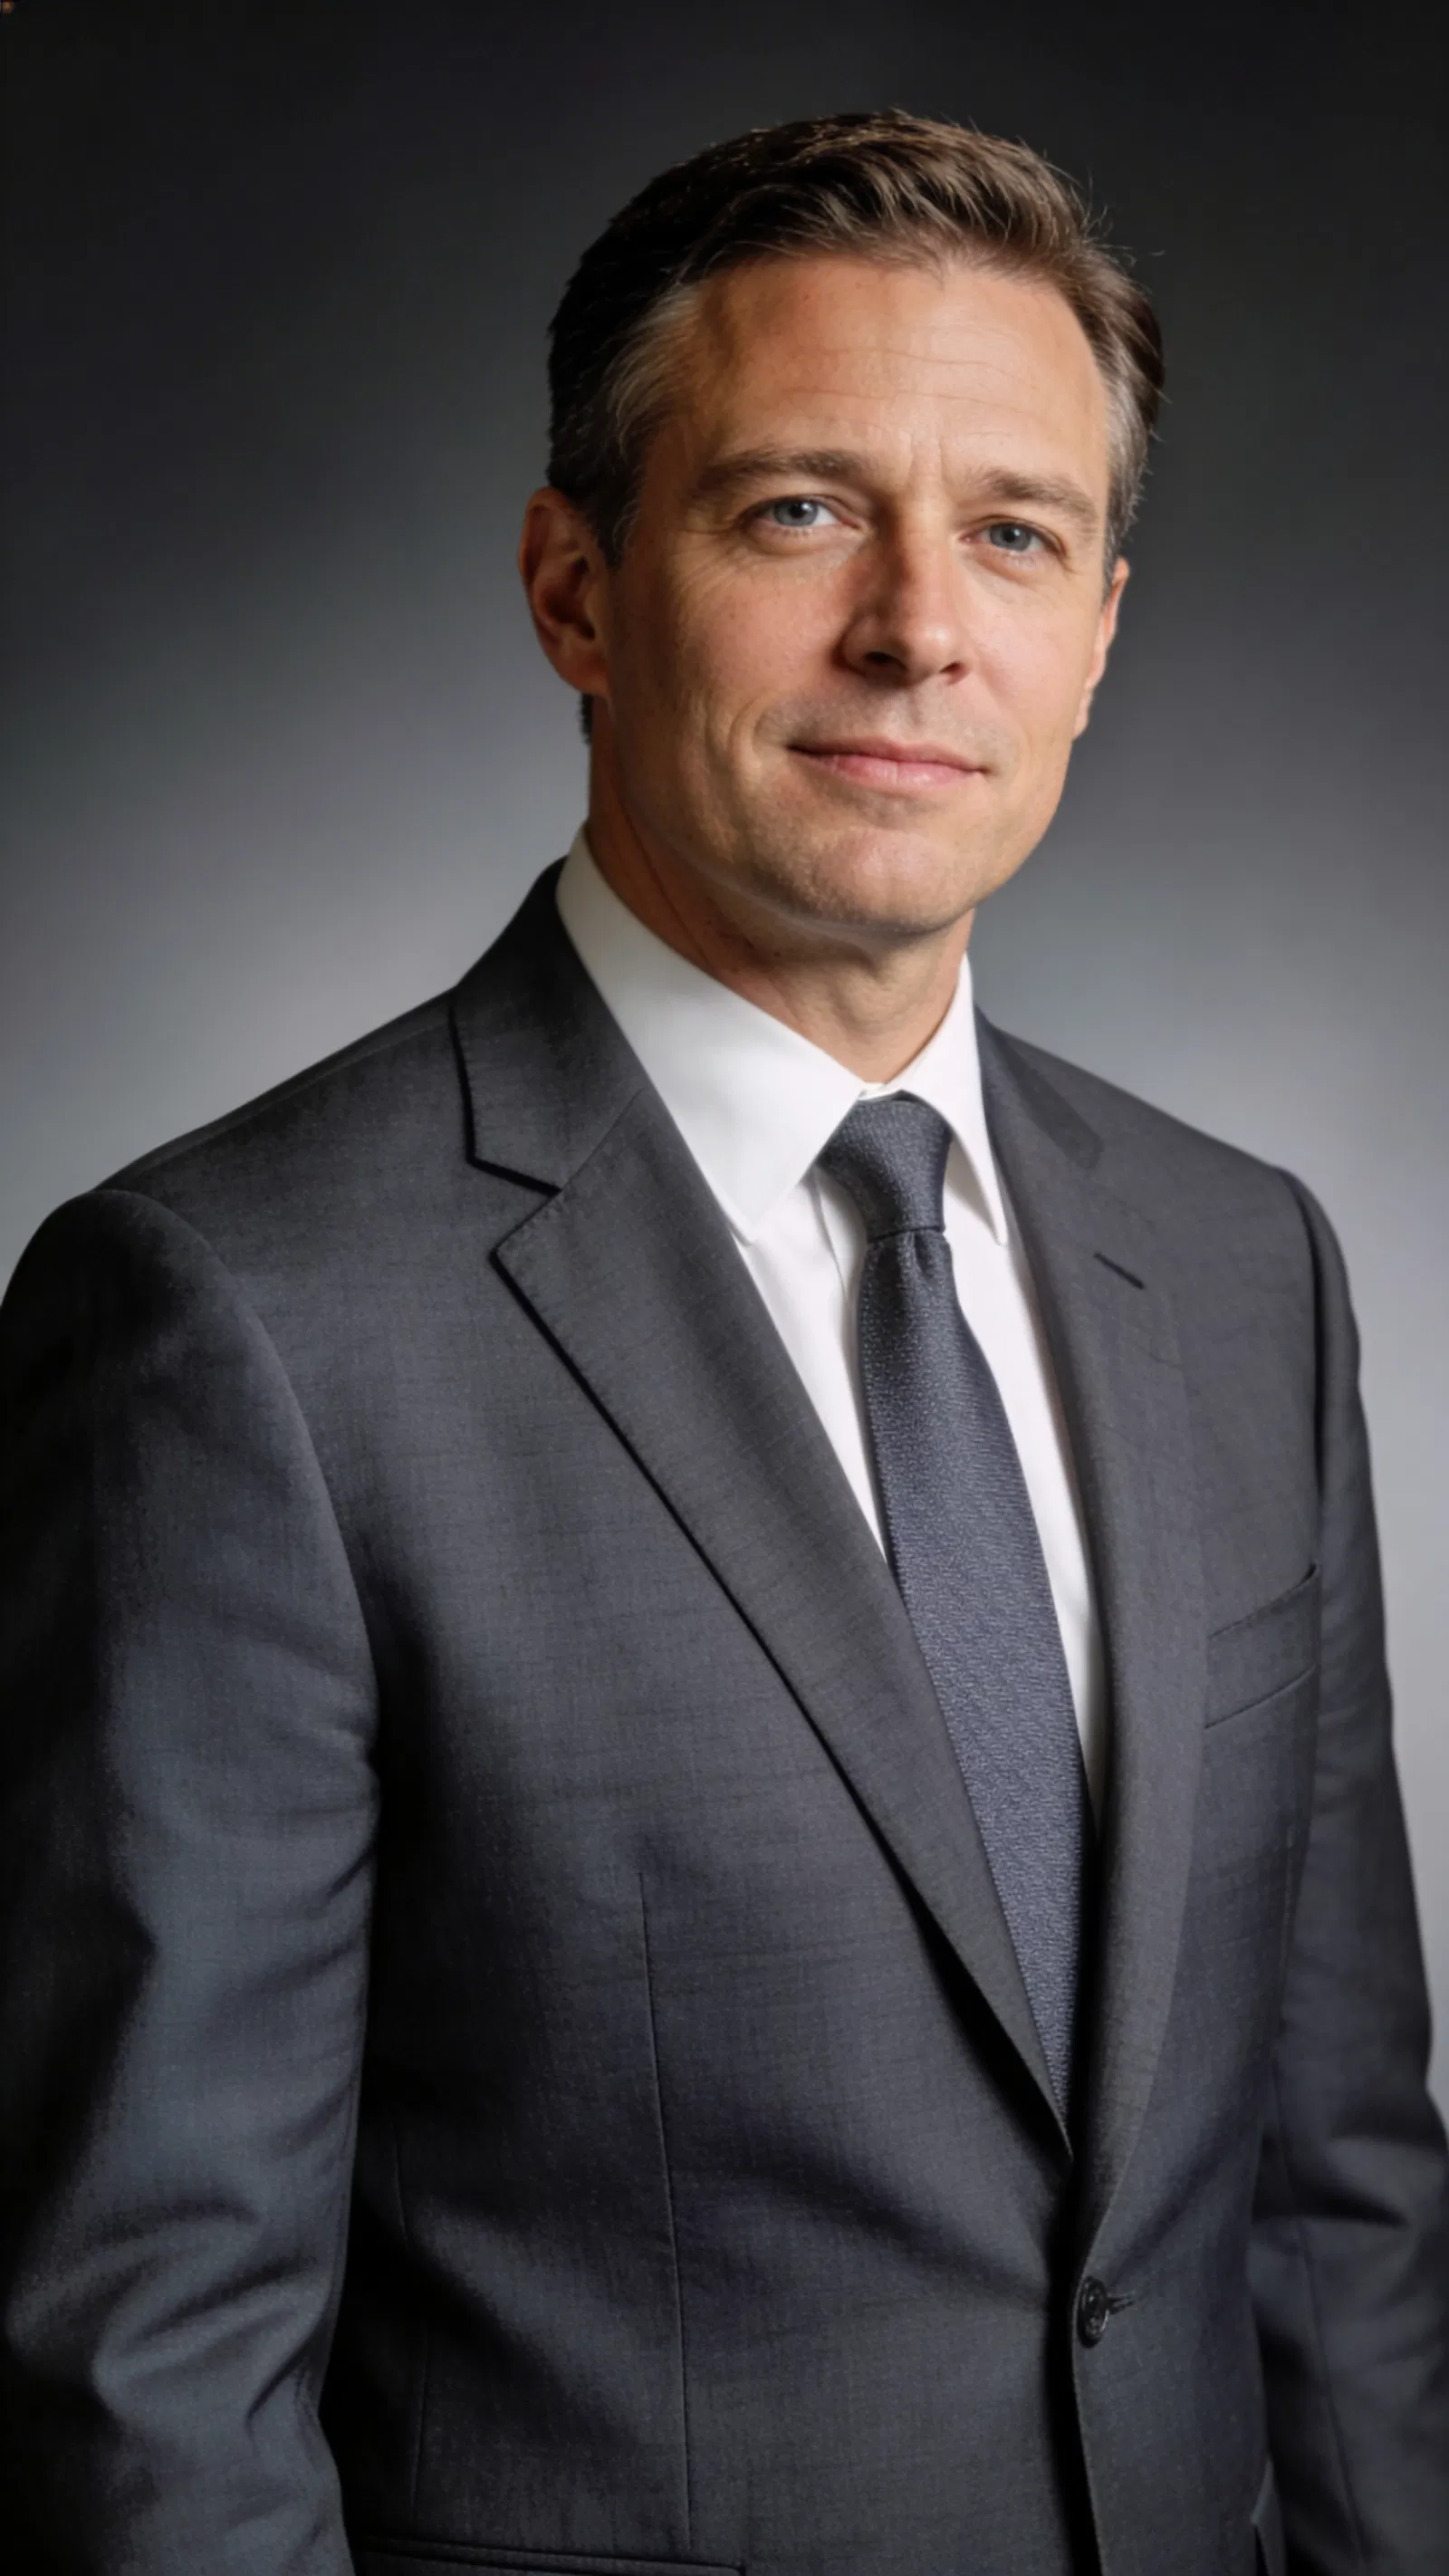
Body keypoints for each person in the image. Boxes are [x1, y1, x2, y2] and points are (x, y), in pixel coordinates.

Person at [1, 106, 1444, 2576]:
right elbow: (149, 2368)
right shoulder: (233, 1315)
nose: (917, 626)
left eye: (1013, 530)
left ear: (1100, 620)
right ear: (576, 586)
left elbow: (1339, 2206)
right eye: (797, 511)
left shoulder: (1242, 1268)